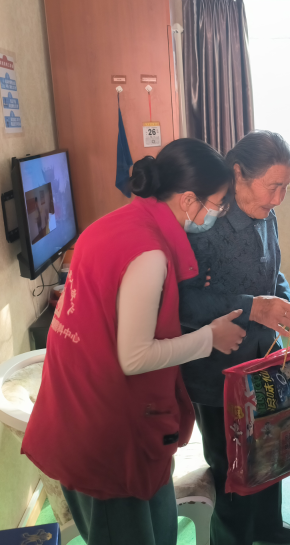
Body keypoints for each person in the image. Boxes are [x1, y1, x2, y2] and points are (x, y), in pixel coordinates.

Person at [22, 139, 246, 545]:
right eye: (216, 205)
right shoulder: (148, 252)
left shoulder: (110, 225)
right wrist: (210, 338)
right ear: (188, 200)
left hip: (78, 407)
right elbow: (135, 356)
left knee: (156, 525)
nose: (215, 215)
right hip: (105, 430)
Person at [179, 130, 290, 545]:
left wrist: (286, 304)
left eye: (285, 187)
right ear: (238, 174)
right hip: (217, 373)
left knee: (271, 449)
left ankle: (268, 528)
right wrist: (254, 307)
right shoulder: (206, 222)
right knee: (231, 470)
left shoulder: (266, 213)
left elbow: (273, 273)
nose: (279, 198)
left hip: (265, 357)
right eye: (273, 186)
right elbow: (183, 303)